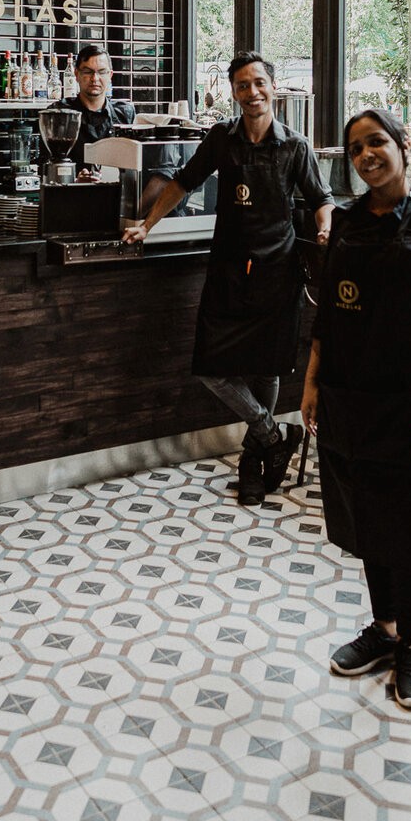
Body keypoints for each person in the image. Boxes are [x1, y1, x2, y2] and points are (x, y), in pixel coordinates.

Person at [301, 108, 411, 711]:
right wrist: (312, 382)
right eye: (355, 149)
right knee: (366, 516)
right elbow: (326, 313)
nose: (365, 155)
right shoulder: (347, 221)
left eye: (376, 142)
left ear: (404, 146)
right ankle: (384, 628)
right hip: (350, 395)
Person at [124, 53, 333, 506]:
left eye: (259, 82)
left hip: (278, 273)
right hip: (228, 271)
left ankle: (253, 461)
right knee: (211, 368)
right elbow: (181, 183)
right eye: (242, 85)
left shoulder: (295, 145)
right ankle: (272, 432)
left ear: (273, 87)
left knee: (267, 367)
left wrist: (325, 227)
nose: (252, 92)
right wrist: (147, 224)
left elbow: (322, 197)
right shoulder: (222, 139)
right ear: (234, 93)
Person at [46, 43, 135, 177]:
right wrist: (74, 177)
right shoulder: (59, 113)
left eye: (101, 72)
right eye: (88, 72)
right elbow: (45, 165)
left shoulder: (125, 114)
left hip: (116, 194)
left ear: (110, 75)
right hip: (70, 194)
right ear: (76, 74)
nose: (95, 78)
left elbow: (134, 163)